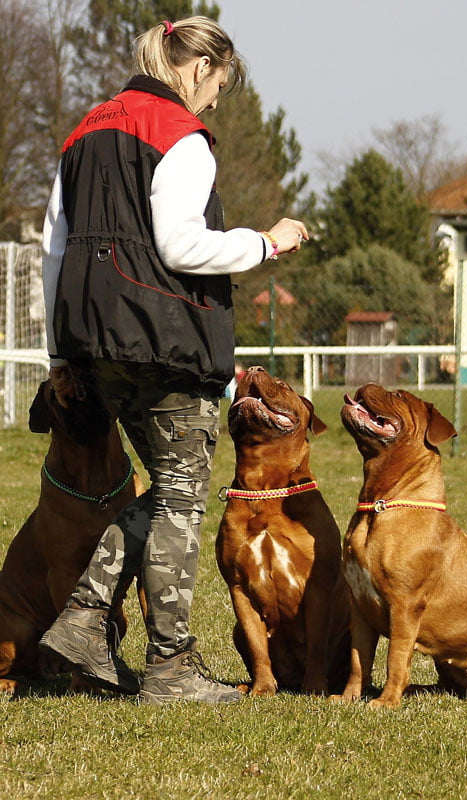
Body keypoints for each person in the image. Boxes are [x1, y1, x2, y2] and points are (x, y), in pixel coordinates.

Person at [39, 15, 308, 705]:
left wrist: (61, 350)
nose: (215, 101)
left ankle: (85, 620)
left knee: (169, 493)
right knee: (180, 498)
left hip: (95, 343)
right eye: (217, 84)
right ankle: (168, 668)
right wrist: (265, 242)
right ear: (197, 68)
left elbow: (54, 247)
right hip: (164, 340)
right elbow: (184, 247)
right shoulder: (180, 136)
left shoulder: (85, 130)